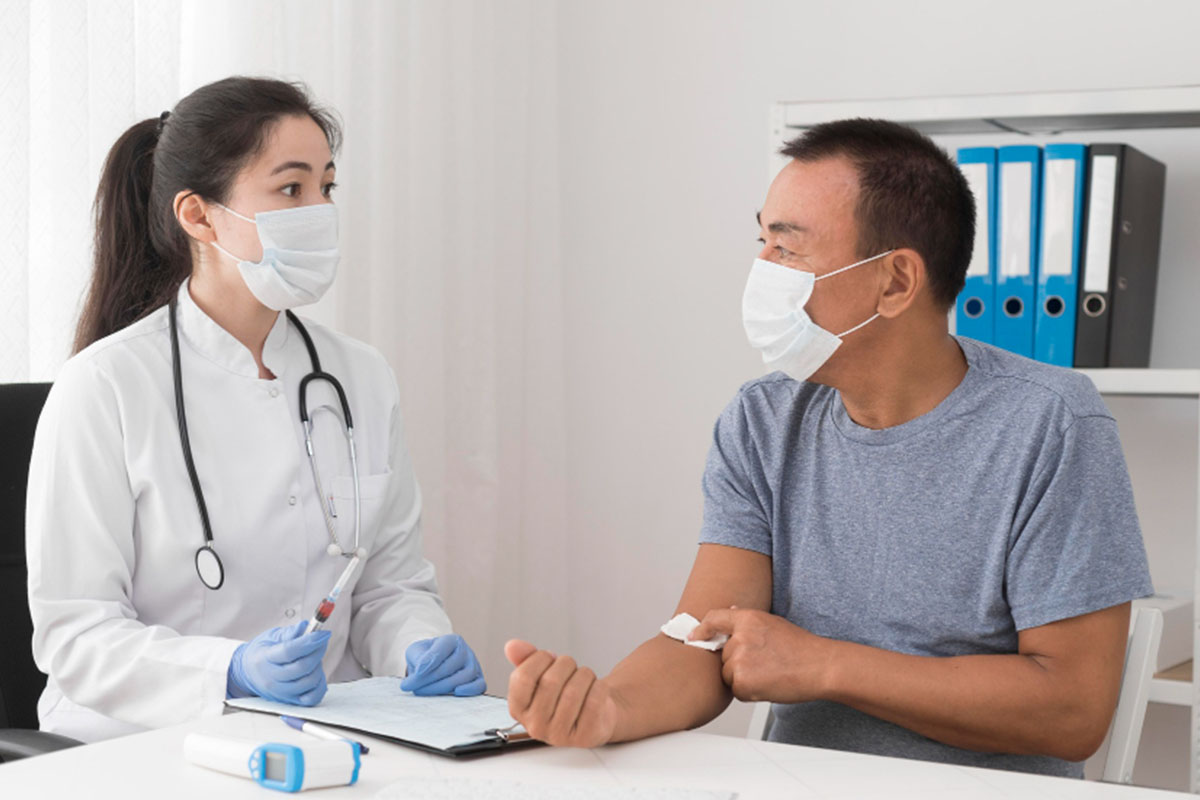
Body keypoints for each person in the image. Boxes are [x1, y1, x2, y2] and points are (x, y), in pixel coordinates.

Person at [502, 118, 1153, 777]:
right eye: (762, 242)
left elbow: (1073, 709)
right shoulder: (761, 420)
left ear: (895, 282)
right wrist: (607, 709)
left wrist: (826, 665)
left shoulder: (1050, 422)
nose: (762, 271)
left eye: (787, 249)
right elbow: (703, 640)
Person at [26, 76, 485, 743]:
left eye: (327, 187)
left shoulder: (360, 377)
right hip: (136, 744)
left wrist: (418, 644)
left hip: (322, 734)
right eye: (291, 189)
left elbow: (388, 586)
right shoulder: (104, 386)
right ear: (199, 216)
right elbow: (76, 632)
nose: (319, 210)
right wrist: (230, 671)